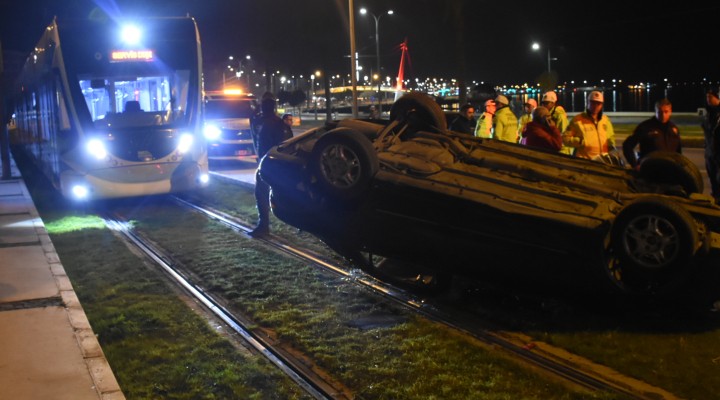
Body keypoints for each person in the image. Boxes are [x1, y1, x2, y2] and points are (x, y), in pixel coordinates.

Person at [249, 95, 294, 237]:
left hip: (267, 163)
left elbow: (256, 134)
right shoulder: (280, 124)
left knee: (261, 193)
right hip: (279, 164)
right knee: (281, 193)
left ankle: (264, 225)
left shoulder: (261, 123)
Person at [622, 98, 681, 169]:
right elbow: (627, 146)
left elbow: (678, 153)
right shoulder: (645, 127)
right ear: (655, 111)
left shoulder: (674, 129)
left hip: (669, 170)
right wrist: (635, 165)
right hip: (650, 170)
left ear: (670, 112)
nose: (663, 115)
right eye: (659, 112)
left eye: (666, 112)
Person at [563, 91, 617, 161]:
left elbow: (611, 137)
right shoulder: (577, 120)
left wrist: (611, 144)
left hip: (602, 162)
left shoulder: (605, 120)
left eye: (598, 104)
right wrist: (580, 142)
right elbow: (565, 139)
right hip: (585, 162)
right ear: (588, 102)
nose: (595, 106)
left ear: (601, 105)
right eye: (593, 103)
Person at [702, 88, 720, 201]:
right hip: (710, 153)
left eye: (710, 97)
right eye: (707, 97)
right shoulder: (708, 113)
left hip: (718, 154)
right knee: (713, 180)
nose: (708, 99)